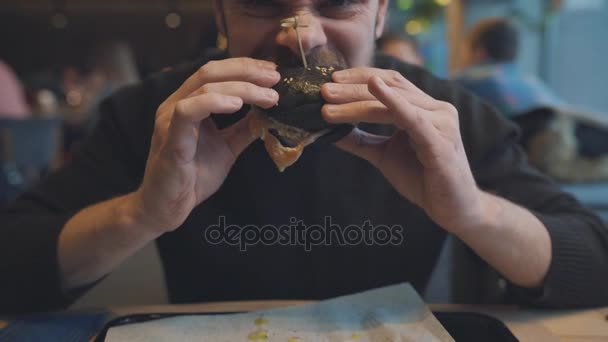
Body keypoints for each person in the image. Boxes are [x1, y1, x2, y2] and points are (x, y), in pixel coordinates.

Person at [1, 0, 607, 315]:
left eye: (338, 3)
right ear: (220, 14)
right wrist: (141, 214)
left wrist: (473, 213)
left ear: (381, 11)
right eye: (264, 4)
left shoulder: (442, 115)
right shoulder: (157, 114)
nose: (302, 35)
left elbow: (596, 262)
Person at [455, 18, 608, 182]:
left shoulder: (468, 82)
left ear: (480, 51)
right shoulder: (532, 82)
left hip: (546, 152)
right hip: (584, 143)